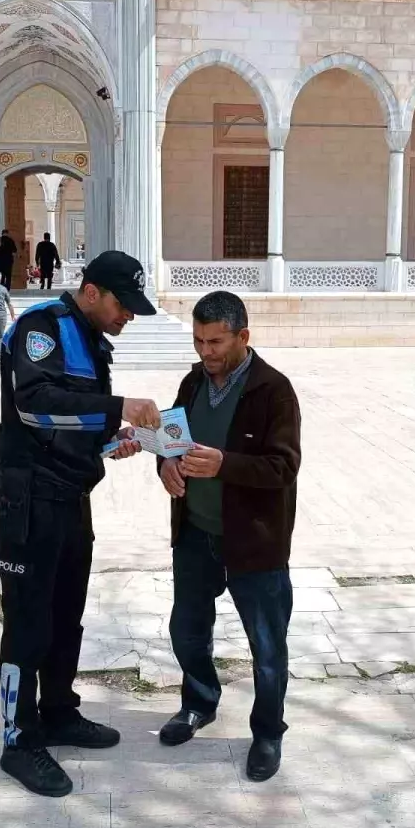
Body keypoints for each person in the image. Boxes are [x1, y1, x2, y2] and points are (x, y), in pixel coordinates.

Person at [0, 250, 162, 797]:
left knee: (67, 617)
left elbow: (74, 421)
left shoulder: (91, 341)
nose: (127, 316)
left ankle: (59, 710)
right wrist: (118, 410)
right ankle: (19, 739)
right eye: (122, 304)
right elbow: (34, 407)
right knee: (28, 621)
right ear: (91, 292)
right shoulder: (40, 328)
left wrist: (113, 441)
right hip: (30, 501)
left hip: (71, 498)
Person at [157, 291, 301, 784]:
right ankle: (199, 703)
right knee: (188, 631)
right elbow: (171, 439)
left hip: (254, 543)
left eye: (216, 341)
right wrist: (167, 466)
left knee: (266, 643)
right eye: (199, 340)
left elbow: (283, 467)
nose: (206, 352)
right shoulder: (193, 381)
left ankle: (267, 731)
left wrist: (225, 464)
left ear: (243, 336)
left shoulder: (273, 390)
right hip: (195, 533)